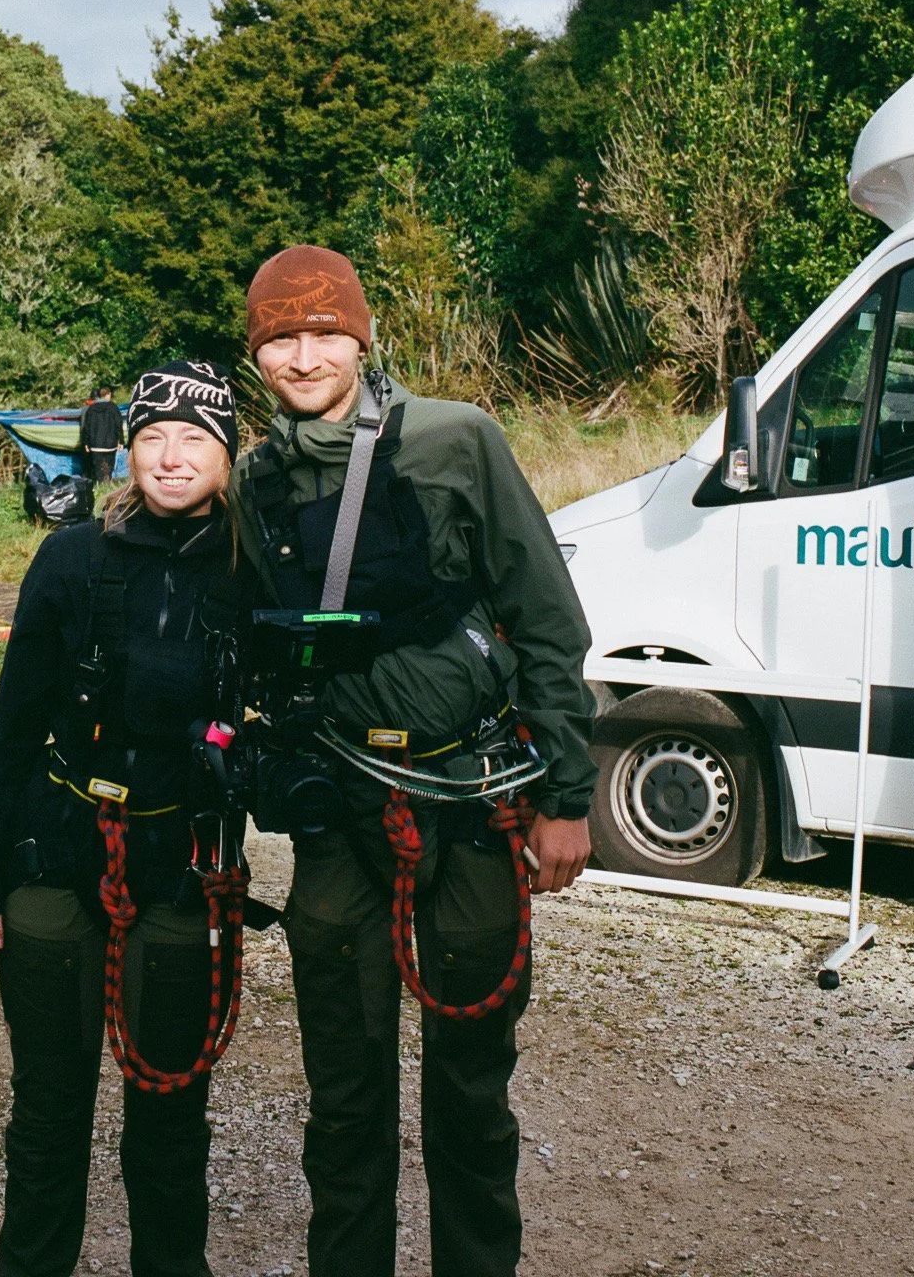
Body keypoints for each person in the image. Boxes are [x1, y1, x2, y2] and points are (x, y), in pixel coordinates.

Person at [229, 244, 596, 1277]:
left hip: (474, 801)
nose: (303, 356)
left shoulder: (454, 440)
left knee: (469, 1089)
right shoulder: (253, 481)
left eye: (322, 332)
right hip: (343, 812)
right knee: (344, 1096)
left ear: (361, 334)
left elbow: (545, 618)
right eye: (279, 337)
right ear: (257, 354)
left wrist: (563, 796)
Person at [0, 361, 246, 1277]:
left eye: (196, 438)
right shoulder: (72, 557)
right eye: (153, 436)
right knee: (47, 1111)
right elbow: (14, 721)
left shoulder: (254, 572)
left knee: (168, 1117)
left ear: (230, 457)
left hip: (181, 863)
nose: (170, 457)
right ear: (127, 449)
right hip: (54, 853)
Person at [79, 385, 123, 483]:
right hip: (110, 444)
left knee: (97, 469)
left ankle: (99, 485)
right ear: (108, 394)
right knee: (109, 467)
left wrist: (86, 442)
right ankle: (107, 485)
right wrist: (121, 441)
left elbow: (86, 427)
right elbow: (118, 425)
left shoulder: (91, 409)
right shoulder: (113, 407)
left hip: (95, 445)